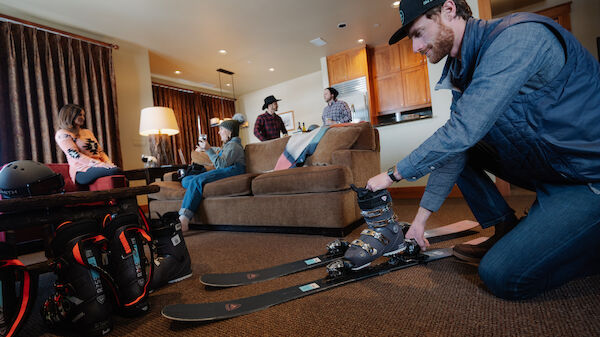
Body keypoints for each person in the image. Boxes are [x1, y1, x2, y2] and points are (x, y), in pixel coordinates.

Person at [363, 0, 600, 300]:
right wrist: (420, 223)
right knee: (458, 149)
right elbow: (455, 148)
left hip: (587, 179)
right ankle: (506, 228)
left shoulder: (519, 37)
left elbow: (463, 131)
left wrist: (393, 175)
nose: (415, 48)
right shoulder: (462, 69)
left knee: (503, 276)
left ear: (449, 10)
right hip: (553, 171)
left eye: (419, 33)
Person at [178, 114, 246, 231]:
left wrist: (208, 150)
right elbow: (219, 150)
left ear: (229, 132)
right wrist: (205, 148)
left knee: (196, 180)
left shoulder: (234, 146)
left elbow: (221, 165)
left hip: (233, 171)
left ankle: (184, 219)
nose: (219, 133)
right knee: (186, 180)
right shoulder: (228, 145)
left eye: (221, 130)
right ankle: (198, 187)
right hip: (226, 170)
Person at [55, 104, 121, 185]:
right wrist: (100, 164)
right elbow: (75, 155)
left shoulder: (87, 132)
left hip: (98, 166)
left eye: (83, 115)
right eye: (80, 115)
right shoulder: (62, 134)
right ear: (70, 115)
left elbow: (100, 152)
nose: (83, 117)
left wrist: (109, 163)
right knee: (115, 171)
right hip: (81, 170)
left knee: (118, 172)